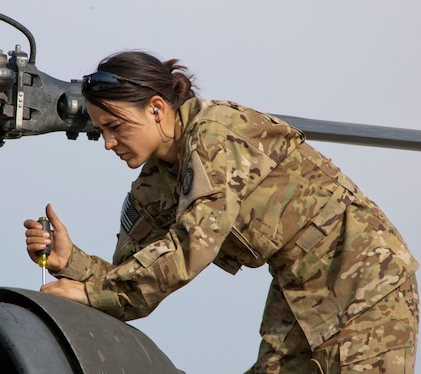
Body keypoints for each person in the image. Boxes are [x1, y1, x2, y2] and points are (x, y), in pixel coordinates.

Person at [24, 50, 419, 373]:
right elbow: (130, 286)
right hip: (302, 292)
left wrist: (96, 292)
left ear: (157, 108)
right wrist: (70, 262)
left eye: (116, 126)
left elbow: (190, 248)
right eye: (101, 131)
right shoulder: (154, 187)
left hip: (367, 280)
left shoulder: (214, 134)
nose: (109, 143)